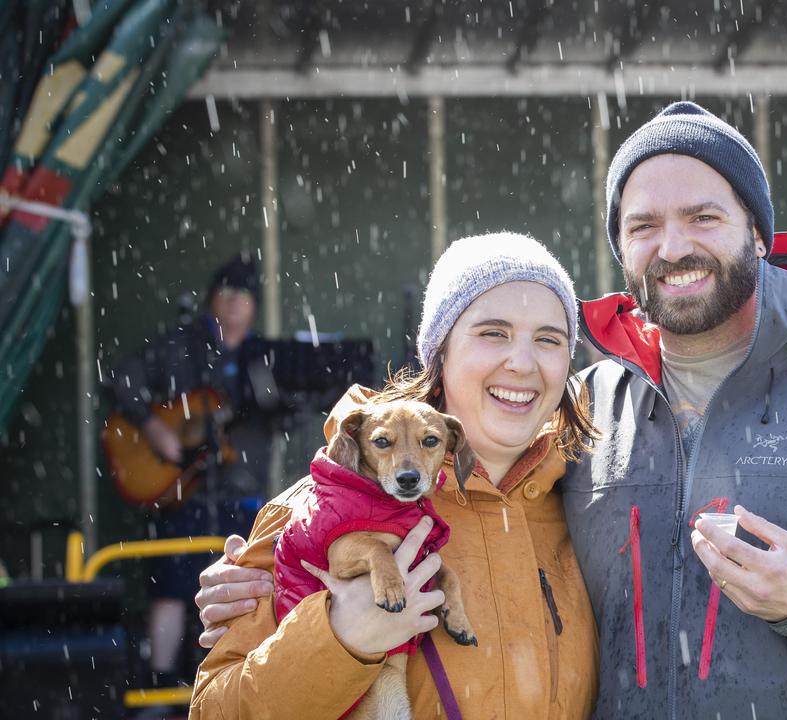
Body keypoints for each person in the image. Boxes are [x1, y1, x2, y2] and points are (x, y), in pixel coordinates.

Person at [197, 103, 787, 719]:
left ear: (757, 234)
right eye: (643, 224)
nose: (673, 245)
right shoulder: (587, 419)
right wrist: (314, 619)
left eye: (703, 216)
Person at [189, 233, 599, 718]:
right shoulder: (319, 510)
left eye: (549, 339)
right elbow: (215, 711)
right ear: (440, 352)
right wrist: (340, 639)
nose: (523, 362)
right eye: (494, 332)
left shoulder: (591, 504)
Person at [109, 253, 269, 688]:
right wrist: (154, 428)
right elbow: (122, 377)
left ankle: (232, 688)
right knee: (171, 587)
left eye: (246, 295)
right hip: (182, 491)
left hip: (238, 495)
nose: (236, 303)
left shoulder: (262, 359)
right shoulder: (179, 346)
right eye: (228, 292)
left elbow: (275, 416)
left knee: (241, 593)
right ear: (212, 298)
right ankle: (160, 690)